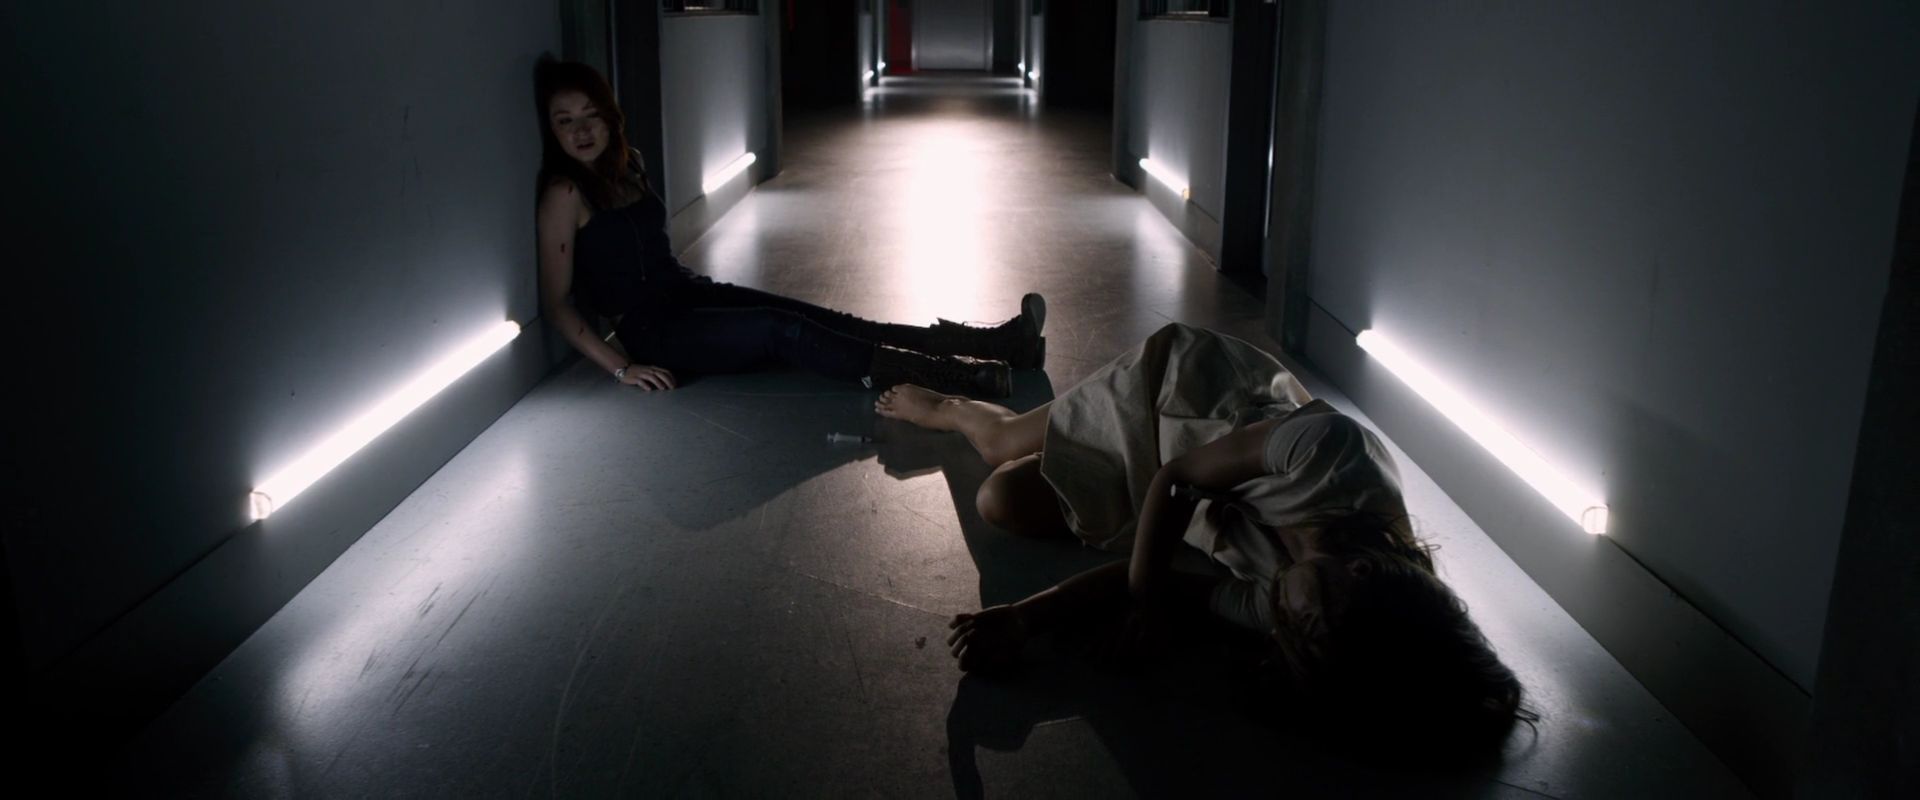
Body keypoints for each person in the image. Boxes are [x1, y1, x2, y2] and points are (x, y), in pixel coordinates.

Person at [876, 322, 1537, 754]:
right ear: (1360, 574)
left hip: (1188, 498)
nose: (1290, 625)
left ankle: (1036, 429)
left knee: (1000, 502)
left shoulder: (1299, 614)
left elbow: (1173, 586)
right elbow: (1178, 479)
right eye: (1312, 624)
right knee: (1000, 446)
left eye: (1304, 642)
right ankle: (952, 406)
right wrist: (1146, 602)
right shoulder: (1334, 454)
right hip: (1188, 403)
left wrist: (1026, 618)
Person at [533, 58, 1043, 397]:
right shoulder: (565, 194)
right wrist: (621, 367)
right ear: (550, 129)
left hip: (688, 292)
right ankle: (959, 379)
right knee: (783, 331)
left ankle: (999, 347)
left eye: (590, 114)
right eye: (564, 120)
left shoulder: (632, 165)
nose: (581, 130)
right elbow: (556, 304)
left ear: (610, 116)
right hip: (654, 331)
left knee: (829, 319)